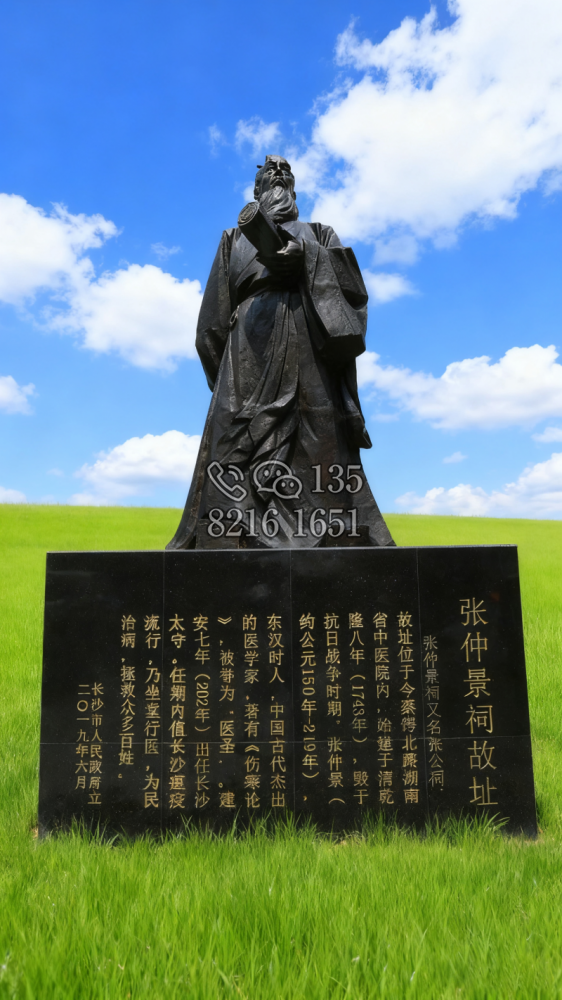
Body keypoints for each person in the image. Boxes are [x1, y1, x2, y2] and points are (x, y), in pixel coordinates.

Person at [167, 155, 394, 549]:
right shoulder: (232, 239)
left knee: (318, 431)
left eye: (285, 172)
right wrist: (227, 379)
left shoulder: (319, 234)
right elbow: (211, 324)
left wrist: (307, 256)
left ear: (293, 189)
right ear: (257, 190)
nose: (278, 172)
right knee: (235, 435)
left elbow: (351, 290)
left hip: (309, 343)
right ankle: (233, 530)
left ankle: (325, 530)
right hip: (246, 351)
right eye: (269, 172)